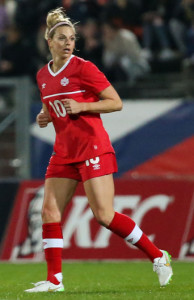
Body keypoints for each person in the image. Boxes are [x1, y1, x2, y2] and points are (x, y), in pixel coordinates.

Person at [25, 7, 173, 293]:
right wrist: (44, 116)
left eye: (72, 38)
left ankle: (158, 256)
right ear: (49, 41)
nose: (68, 42)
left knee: (104, 216)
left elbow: (116, 102)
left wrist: (84, 106)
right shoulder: (43, 75)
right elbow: (50, 107)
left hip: (92, 148)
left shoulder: (84, 68)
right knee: (49, 213)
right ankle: (55, 280)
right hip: (63, 152)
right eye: (62, 38)